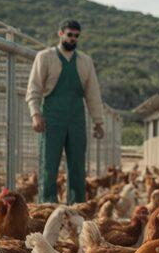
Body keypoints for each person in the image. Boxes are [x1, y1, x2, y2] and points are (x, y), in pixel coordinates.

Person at [26, 19, 105, 204]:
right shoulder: (45, 57)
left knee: (77, 166)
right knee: (49, 165)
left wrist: (98, 121)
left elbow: (93, 93)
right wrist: (35, 114)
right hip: (52, 117)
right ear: (60, 33)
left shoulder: (85, 61)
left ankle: (77, 208)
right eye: (69, 34)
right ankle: (47, 207)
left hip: (77, 117)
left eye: (76, 36)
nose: (73, 39)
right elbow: (34, 88)